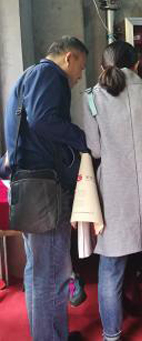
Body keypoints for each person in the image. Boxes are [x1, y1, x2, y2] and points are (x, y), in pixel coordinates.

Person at [82, 42, 142, 341]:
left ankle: (111, 335)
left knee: (111, 269)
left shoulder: (91, 98)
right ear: (136, 64)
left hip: (113, 194)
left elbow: (95, 149)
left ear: (103, 66)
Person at [4, 36, 88, 340]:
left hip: (30, 188)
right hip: (45, 190)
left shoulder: (29, 76)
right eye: (81, 67)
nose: (79, 77)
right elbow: (42, 121)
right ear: (69, 57)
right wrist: (81, 139)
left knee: (39, 272)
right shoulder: (49, 75)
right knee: (50, 275)